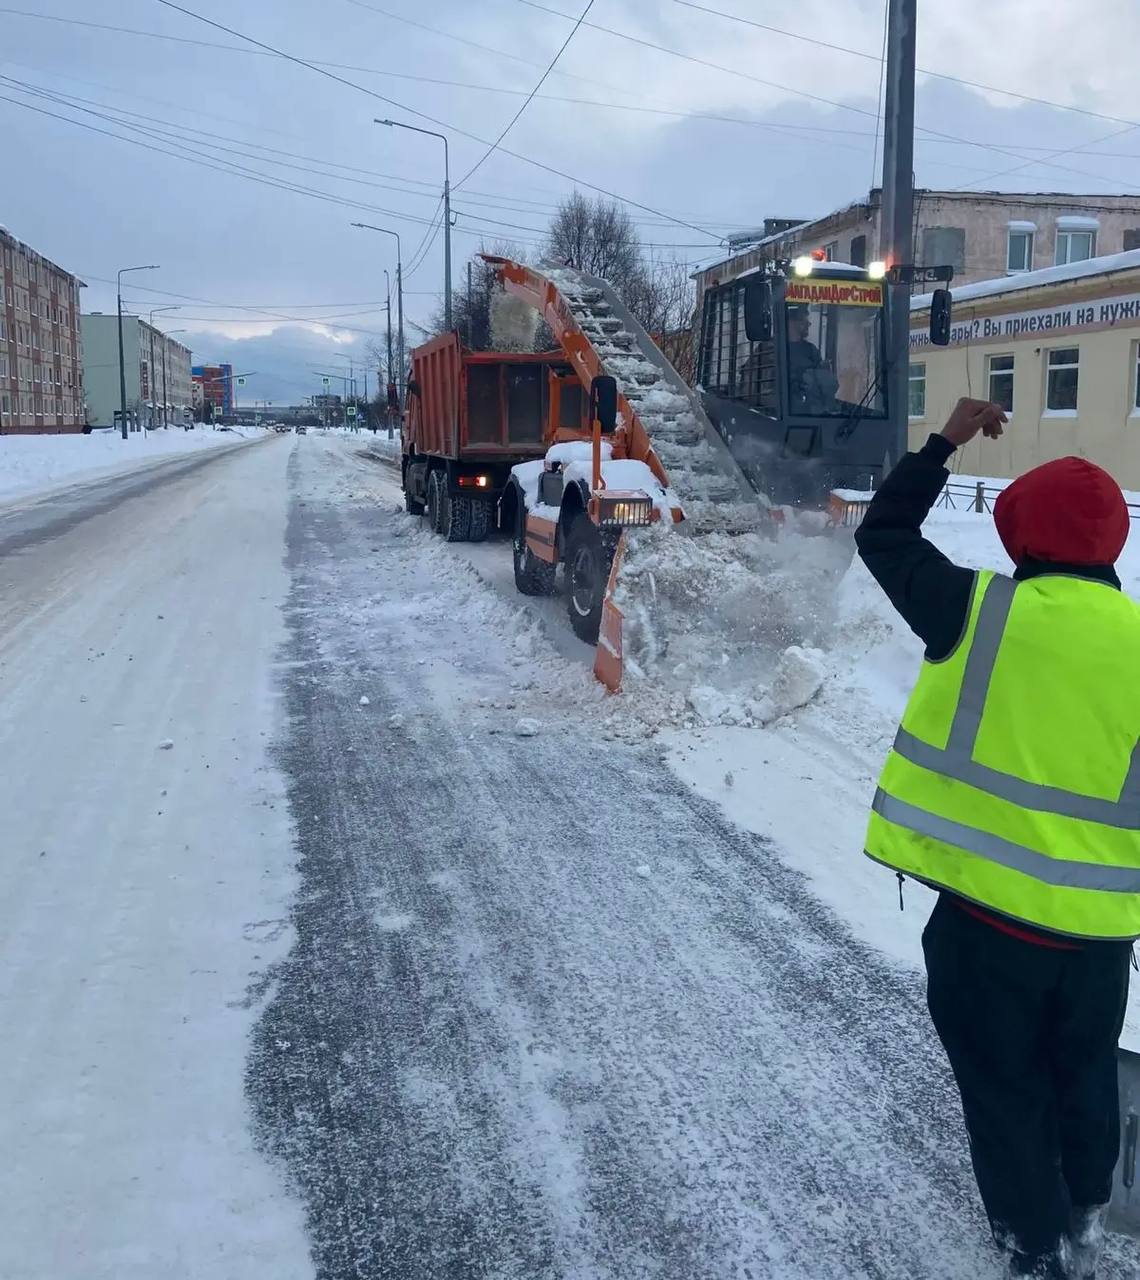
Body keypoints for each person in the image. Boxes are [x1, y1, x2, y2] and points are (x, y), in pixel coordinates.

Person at [855, 398, 1140, 1279]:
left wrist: (946, 440)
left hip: (986, 929)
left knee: (1006, 1087)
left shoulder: (971, 610)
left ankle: (1032, 1241)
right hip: (1099, 936)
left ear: (1019, 535)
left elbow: (883, 533)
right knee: (1083, 1067)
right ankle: (1086, 1209)